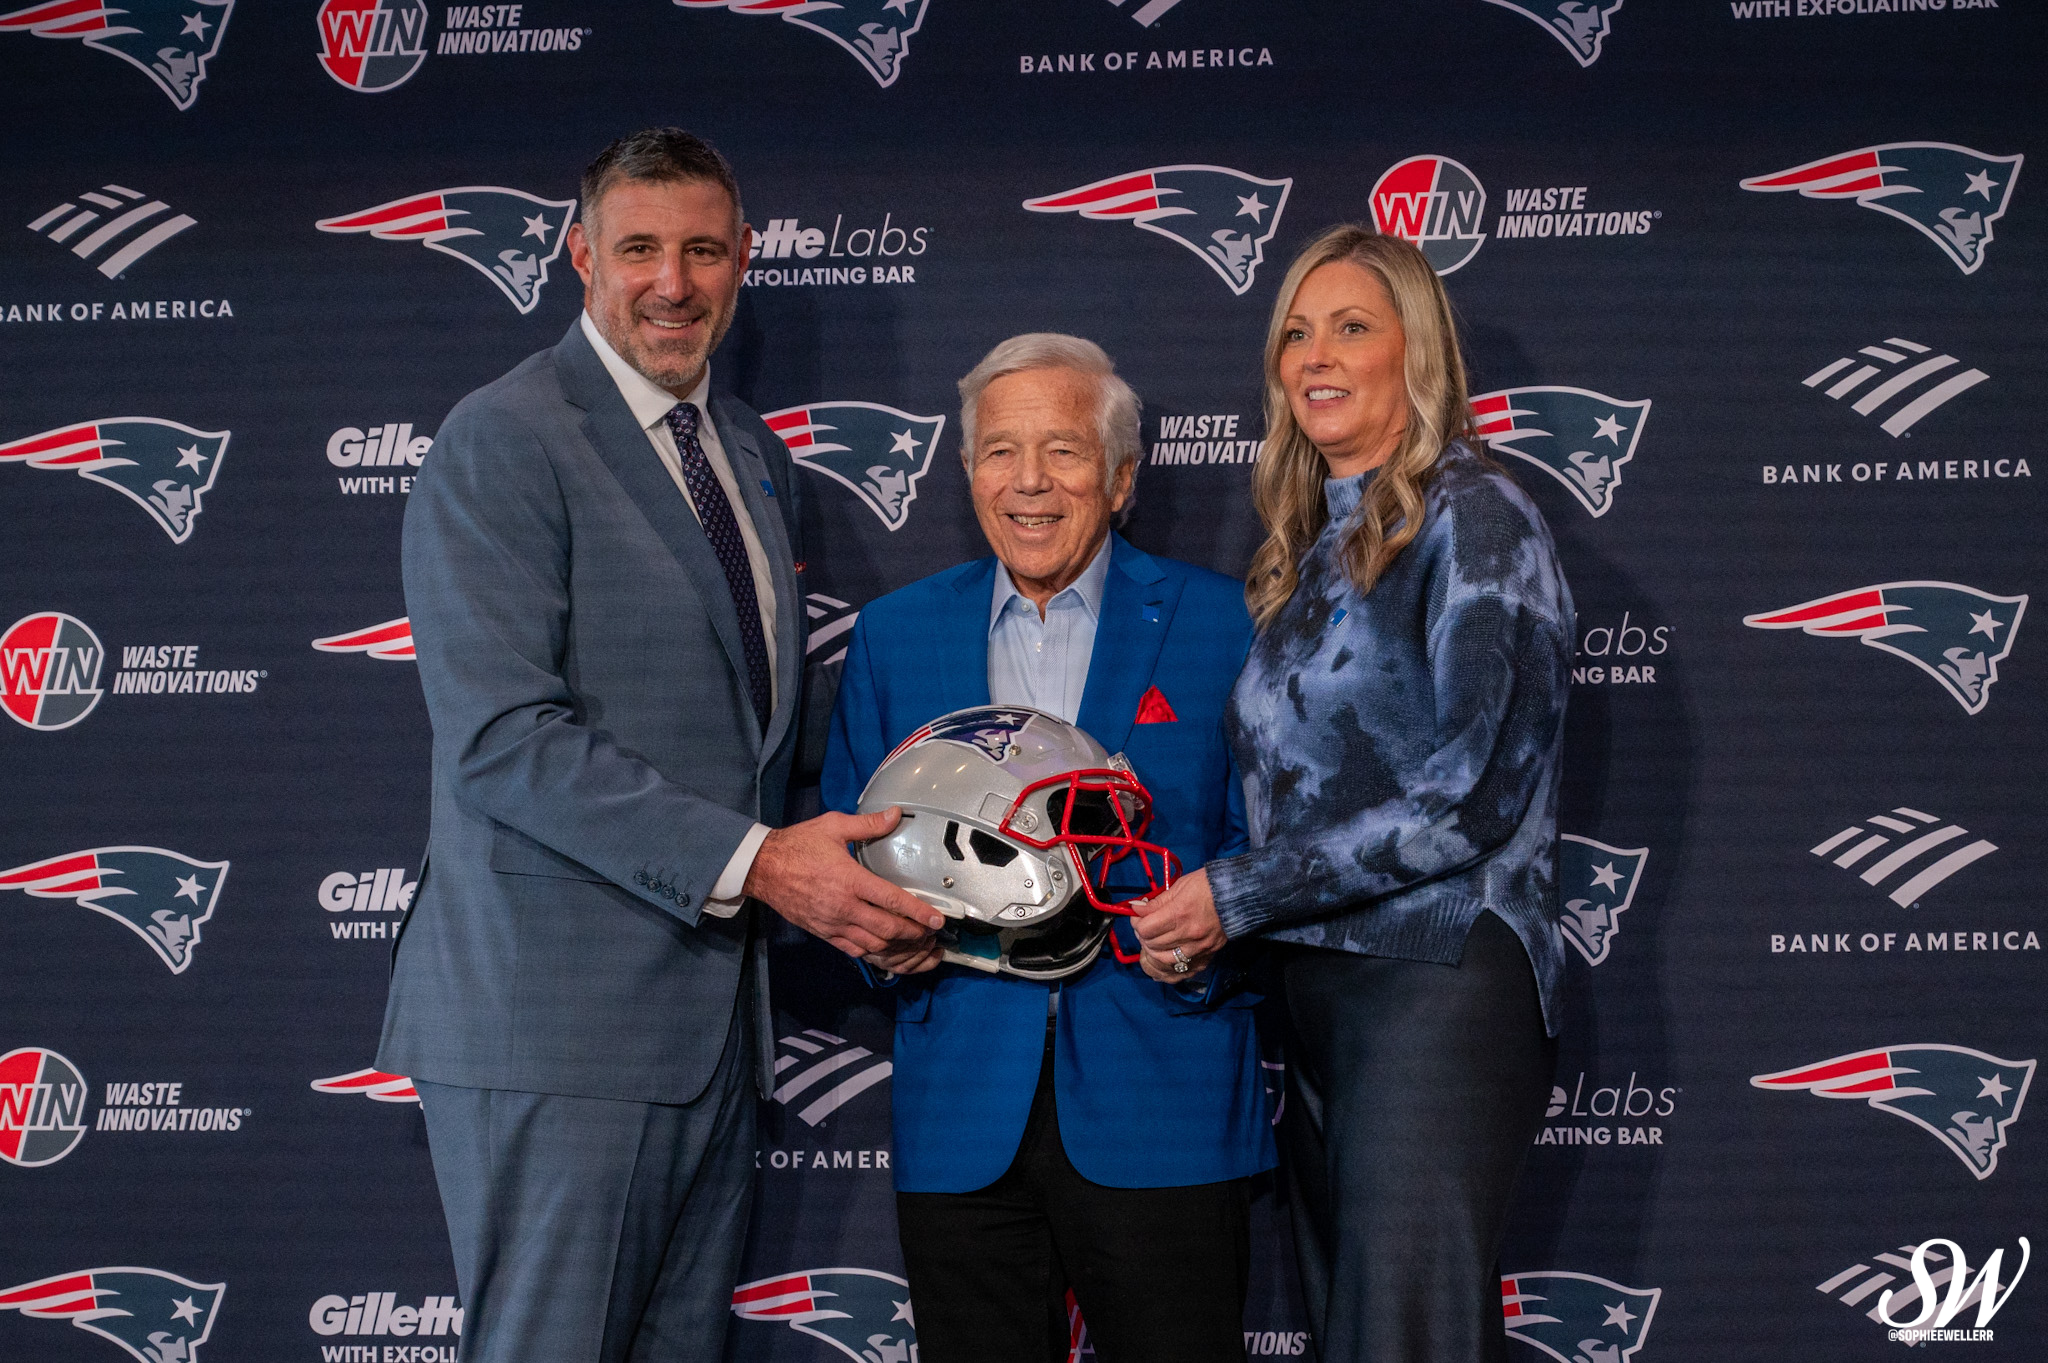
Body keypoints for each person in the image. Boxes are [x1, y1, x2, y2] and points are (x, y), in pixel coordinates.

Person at [377, 128, 942, 1363]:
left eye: (699, 249)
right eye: (638, 248)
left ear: (744, 261)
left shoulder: (748, 452)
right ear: (580, 257)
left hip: (706, 1036)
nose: (671, 283)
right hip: (555, 1029)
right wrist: (763, 863)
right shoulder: (503, 439)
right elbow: (503, 741)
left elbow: (751, 741)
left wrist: (909, 861)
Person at [1131, 227, 1575, 1362]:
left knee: (1403, 1336)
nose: (1313, 355)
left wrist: (1234, 892)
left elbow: (1472, 794)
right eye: (1293, 331)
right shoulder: (1307, 548)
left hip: (1436, 980)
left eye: (1350, 326)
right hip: (1321, 994)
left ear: (1414, 353)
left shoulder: (1476, 514)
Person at [823, 334, 1274, 1363]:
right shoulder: (895, 636)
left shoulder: (1223, 624)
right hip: (962, 1110)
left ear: (1120, 479)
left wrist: (1209, 942)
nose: (1028, 482)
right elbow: (849, 851)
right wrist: (874, 940)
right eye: (998, 452)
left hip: (1163, 1091)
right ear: (967, 471)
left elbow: (1273, 850)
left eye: (1063, 452)